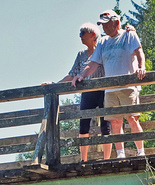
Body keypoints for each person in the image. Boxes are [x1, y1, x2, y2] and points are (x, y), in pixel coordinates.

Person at [71, 10, 147, 159]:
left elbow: (139, 51)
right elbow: (93, 63)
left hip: (128, 86)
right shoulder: (103, 42)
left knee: (132, 119)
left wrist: (141, 66)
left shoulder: (128, 35)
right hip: (110, 90)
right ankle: (120, 154)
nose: (104, 28)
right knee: (116, 122)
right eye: (102, 25)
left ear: (116, 23)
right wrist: (81, 75)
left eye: (106, 24)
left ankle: (141, 152)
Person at [45, 23, 112, 162]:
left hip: (104, 91)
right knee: (83, 126)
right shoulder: (81, 54)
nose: (80, 36)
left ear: (92, 34)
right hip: (87, 92)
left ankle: (107, 159)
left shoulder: (104, 49)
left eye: (83, 33)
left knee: (106, 126)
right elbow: (72, 74)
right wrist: (55, 85)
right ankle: (84, 160)